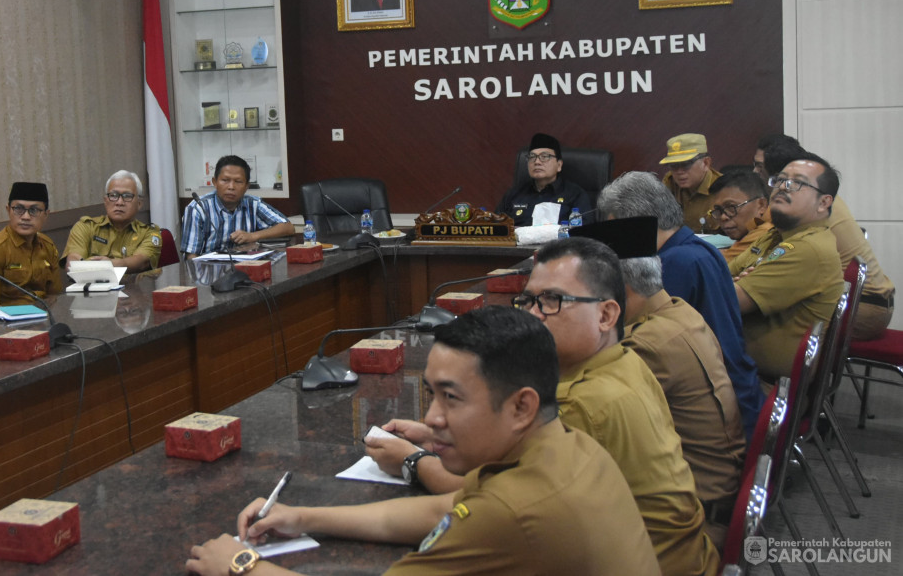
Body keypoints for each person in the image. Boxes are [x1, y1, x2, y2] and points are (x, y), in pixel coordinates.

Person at [187, 307, 660, 576]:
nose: (432, 419)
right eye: (432, 394)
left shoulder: (516, 510)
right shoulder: (566, 444)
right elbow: (442, 512)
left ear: (521, 406)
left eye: (451, 398)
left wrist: (242, 564)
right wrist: (306, 517)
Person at [369, 238, 719, 576]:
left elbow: (478, 501)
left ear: (606, 315)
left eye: (552, 300)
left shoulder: (587, 403)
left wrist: (410, 461)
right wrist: (435, 434)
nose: (534, 315)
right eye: (530, 300)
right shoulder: (623, 361)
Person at [572, 217, 744, 550]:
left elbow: (580, 419)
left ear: (618, 293)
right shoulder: (679, 312)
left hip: (693, 522)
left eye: (577, 296)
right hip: (711, 492)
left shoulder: (645, 346)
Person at [597, 171, 762, 440]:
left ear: (635, 222)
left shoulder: (673, 264)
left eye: (614, 227)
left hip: (723, 415)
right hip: (736, 389)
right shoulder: (694, 248)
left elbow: (640, 340)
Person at [759, 135, 895, 341]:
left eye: (759, 168)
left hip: (863, 308)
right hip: (870, 302)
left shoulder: (804, 206)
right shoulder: (818, 197)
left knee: (758, 318)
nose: (755, 173)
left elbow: (764, 240)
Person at [729, 154, 844, 379]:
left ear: (823, 203)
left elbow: (726, 300)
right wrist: (732, 284)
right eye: (780, 180)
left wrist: (733, 285)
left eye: (797, 183)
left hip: (760, 384)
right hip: (739, 367)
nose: (782, 187)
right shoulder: (776, 235)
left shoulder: (808, 249)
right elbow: (725, 275)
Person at [180, 155, 293, 256]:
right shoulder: (198, 208)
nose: (231, 187)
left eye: (238, 181)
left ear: (247, 186)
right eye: (225, 180)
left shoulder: (252, 204)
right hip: (208, 272)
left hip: (244, 269)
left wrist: (252, 236)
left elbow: (288, 227)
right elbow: (191, 258)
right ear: (215, 182)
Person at [0, 182, 62, 307]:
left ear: (46, 214)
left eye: (34, 210)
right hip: (9, 322)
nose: (25, 217)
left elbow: (54, 295)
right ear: (8, 210)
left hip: (45, 317)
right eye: (18, 209)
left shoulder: (48, 246)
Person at [62, 170, 163, 271]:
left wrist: (108, 265)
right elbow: (72, 262)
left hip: (132, 286)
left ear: (139, 204)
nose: (119, 202)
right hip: (89, 285)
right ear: (105, 201)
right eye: (113, 196)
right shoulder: (85, 227)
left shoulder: (149, 234)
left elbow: (141, 262)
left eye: (127, 196)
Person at [498, 132, 592, 227]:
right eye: (532, 157)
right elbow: (496, 228)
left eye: (544, 157)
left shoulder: (575, 194)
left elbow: (583, 232)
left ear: (559, 165)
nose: (537, 162)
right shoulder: (513, 195)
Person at [659, 132, 721, 233]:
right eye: (673, 165)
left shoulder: (725, 188)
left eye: (686, 164)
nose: (679, 172)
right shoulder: (670, 183)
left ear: (706, 163)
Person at [707, 171, 771, 261]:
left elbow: (716, 268)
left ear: (761, 205)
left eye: (731, 207)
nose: (723, 217)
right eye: (718, 210)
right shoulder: (749, 231)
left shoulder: (767, 232)